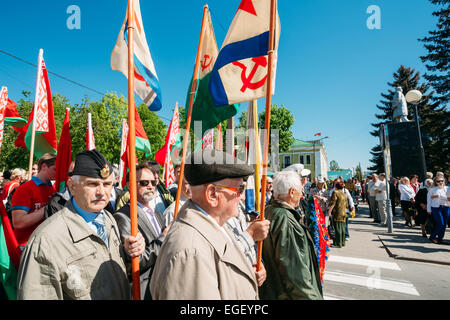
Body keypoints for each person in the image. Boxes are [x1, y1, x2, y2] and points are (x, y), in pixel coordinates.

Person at [16, 149, 146, 300]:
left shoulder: (109, 219)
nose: (102, 192)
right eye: (92, 184)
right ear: (72, 187)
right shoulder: (45, 241)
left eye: (107, 184)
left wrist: (129, 252)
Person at [150, 149, 260, 299]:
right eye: (239, 189)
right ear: (212, 194)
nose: (241, 198)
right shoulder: (190, 250)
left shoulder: (216, 225)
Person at [259, 170, 323, 300]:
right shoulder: (286, 219)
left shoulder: (269, 210)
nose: (302, 194)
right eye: (301, 190)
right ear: (292, 192)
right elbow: (296, 275)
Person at [114, 163, 169, 300]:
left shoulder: (157, 213)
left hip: (162, 285)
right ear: (130, 185)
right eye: (144, 182)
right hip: (143, 290)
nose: (150, 186)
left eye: (153, 182)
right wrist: (163, 238)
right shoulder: (124, 216)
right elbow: (135, 261)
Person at [11, 153, 57, 248]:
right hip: (26, 246)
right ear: (44, 166)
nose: (57, 173)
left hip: (44, 244)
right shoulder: (25, 188)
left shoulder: (52, 189)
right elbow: (18, 222)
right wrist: (47, 208)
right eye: (55, 169)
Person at [427, 176, 449, 244]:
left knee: (444, 224)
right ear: (435, 182)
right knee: (440, 223)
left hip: (446, 207)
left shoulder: (448, 188)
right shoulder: (432, 190)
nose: (440, 182)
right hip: (436, 208)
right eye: (438, 181)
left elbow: (449, 199)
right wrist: (429, 210)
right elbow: (429, 200)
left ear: (444, 181)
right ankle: (432, 237)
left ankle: (440, 238)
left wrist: (438, 196)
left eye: (442, 181)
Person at [328, 181, 349, 248]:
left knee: (337, 228)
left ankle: (337, 243)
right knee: (342, 227)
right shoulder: (344, 194)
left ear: (336, 186)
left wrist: (329, 212)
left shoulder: (335, 192)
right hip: (343, 212)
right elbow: (347, 205)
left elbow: (333, 203)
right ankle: (342, 242)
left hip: (337, 212)